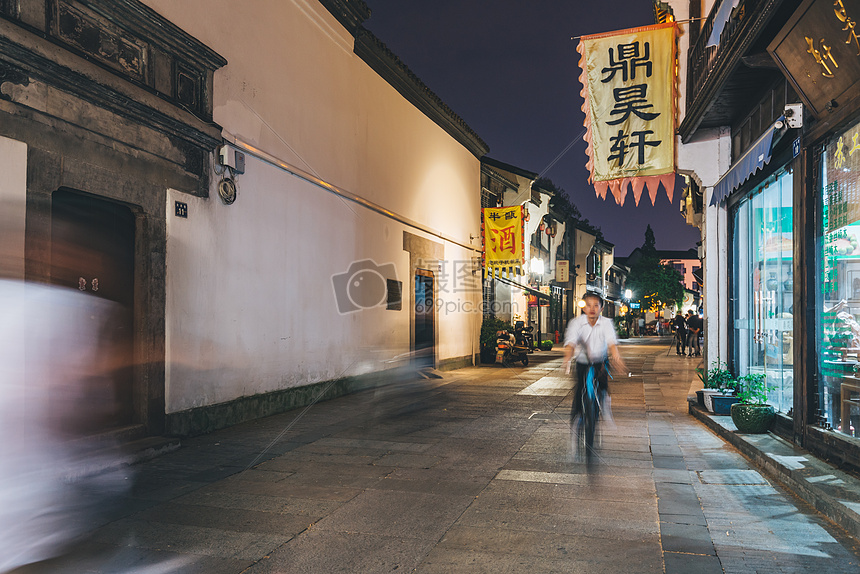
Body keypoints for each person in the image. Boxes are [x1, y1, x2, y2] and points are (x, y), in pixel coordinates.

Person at [563, 292, 626, 422]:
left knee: (602, 384)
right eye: (589, 305)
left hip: (600, 360)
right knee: (580, 386)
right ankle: (577, 415)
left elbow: (611, 343)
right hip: (582, 361)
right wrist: (567, 359)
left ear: (601, 308)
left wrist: (616, 356)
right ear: (583, 308)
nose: (592, 309)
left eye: (596, 305)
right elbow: (571, 343)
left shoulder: (606, 323)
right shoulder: (576, 323)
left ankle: (604, 404)